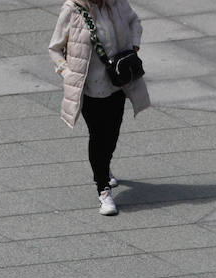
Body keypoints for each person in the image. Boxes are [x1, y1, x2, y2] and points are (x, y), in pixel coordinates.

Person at [48, 0, 149, 216]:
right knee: (98, 136)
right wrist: (68, 74)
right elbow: (55, 49)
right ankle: (103, 189)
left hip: (117, 84)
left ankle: (103, 165)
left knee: (112, 134)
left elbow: (134, 23)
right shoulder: (72, 10)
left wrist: (134, 47)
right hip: (89, 89)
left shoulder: (117, 3)